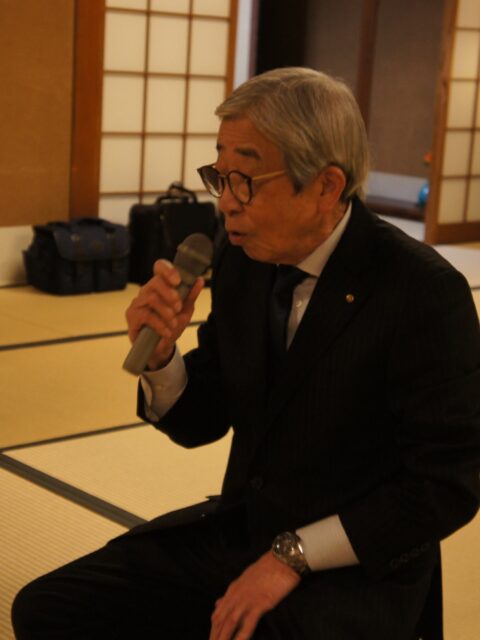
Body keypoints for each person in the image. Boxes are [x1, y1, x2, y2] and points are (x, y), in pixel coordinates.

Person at [12, 67, 480, 639]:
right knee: (47, 609)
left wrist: (293, 555)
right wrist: (161, 357)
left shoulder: (421, 291)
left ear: (327, 186)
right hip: (242, 532)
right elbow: (205, 416)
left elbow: (446, 484)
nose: (227, 204)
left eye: (247, 181)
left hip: (356, 565)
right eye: (221, 176)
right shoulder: (245, 258)